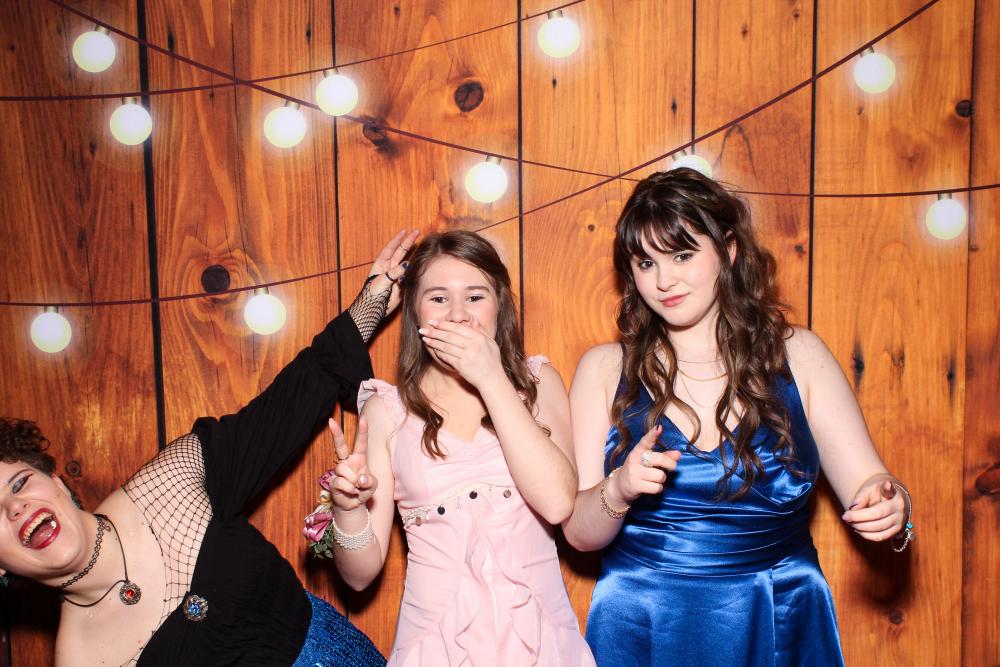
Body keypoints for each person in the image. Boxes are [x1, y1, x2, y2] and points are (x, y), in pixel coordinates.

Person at [0, 229, 419, 666]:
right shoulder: (79, 660)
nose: (15, 508)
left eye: (20, 483)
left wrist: (371, 302)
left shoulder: (169, 483)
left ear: (55, 480)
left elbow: (288, 404)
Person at [561, 169, 914, 667]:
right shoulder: (603, 368)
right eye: (645, 262)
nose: (663, 280)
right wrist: (618, 489)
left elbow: (870, 482)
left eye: (682, 255)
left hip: (781, 612)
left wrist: (892, 504)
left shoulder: (800, 354)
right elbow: (578, 534)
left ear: (728, 250)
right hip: (643, 619)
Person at [306, 230, 595, 666]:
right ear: (415, 312)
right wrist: (348, 510)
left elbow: (558, 504)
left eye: (475, 297)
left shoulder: (537, 383)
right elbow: (360, 576)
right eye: (438, 298)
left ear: (500, 306)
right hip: (434, 650)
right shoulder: (388, 410)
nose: (458, 315)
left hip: (545, 647)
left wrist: (491, 377)